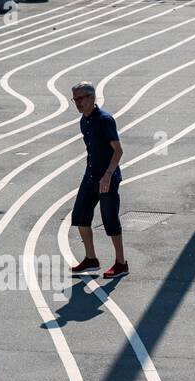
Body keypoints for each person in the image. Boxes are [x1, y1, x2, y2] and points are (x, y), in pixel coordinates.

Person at [69, 82, 128, 278]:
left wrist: (108, 175)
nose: (77, 103)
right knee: (80, 215)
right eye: (75, 99)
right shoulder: (83, 121)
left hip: (106, 178)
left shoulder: (105, 120)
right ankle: (91, 259)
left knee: (110, 219)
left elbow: (118, 150)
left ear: (91, 98)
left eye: (80, 99)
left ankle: (121, 263)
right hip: (91, 175)